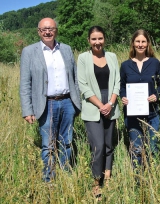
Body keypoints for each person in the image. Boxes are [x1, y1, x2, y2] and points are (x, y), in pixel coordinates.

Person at [19, 18, 81, 182]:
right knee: (48, 145)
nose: (48, 32)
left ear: (56, 30)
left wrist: (77, 104)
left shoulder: (66, 49)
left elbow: (74, 77)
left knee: (67, 142)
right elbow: (25, 83)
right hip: (46, 104)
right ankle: (49, 179)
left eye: (51, 29)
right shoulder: (29, 52)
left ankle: (66, 176)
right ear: (39, 31)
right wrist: (28, 110)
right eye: (44, 29)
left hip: (67, 102)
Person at [77, 26, 120, 199]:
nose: (97, 42)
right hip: (93, 107)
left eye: (100, 38)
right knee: (98, 146)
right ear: (89, 40)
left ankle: (108, 178)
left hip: (110, 105)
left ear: (104, 39)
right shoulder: (82, 58)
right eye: (94, 39)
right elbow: (83, 86)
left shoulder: (112, 56)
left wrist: (110, 103)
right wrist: (100, 105)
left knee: (109, 145)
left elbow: (117, 81)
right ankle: (96, 181)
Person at [120, 29, 160, 168]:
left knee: (153, 148)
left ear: (148, 44)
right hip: (132, 114)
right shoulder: (125, 65)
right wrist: (123, 97)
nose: (140, 44)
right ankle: (138, 180)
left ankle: (154, 177)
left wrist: (156, 95)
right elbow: (121, 86)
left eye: (143, 41)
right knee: (136, 149)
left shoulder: (155, 63)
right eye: (137, 41)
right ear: (133, 43)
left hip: (152, 113)